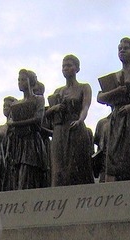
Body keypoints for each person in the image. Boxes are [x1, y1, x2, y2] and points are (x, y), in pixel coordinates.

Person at [96, 37, 130, 181]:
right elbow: (100, 98)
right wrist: (117, 91)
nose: (122, 50)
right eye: (120, 48)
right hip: (116, 118)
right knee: (114, 156)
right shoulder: (113, 76)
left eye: (126, 48)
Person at [45, 54, 94, 186]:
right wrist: (55, 108)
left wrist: (80, 120)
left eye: (69, 65)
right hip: (59, 131)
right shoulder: (58, 91)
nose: (66, 68)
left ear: (77, 68)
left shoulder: (84, 87)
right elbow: (47, 114)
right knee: (58, 168)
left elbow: (85, 107)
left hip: (75, 128)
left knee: (76, 166)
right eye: (63, 66)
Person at [7, 69, 49, 190]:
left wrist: (16, 123)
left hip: (32, 142)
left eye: (23, 80)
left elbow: (38, 119)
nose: (20, 82)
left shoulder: (38, 99)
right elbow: (9, 122)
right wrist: (13, 124)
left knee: (28, 175)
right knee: (19, 175)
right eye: (19, 80)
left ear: (31, 81)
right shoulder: (16, 104)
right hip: (19, 142)